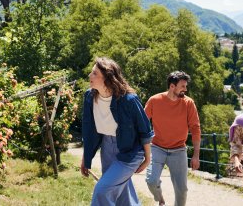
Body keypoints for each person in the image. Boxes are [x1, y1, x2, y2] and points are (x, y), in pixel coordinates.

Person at [81, 56, 154, 206]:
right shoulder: (89, 97)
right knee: (122, 195)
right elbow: (88, 130)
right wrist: (85, 157)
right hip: (107, 147)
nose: (90, 76)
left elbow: (144, 130)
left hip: (130, 151)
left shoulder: (129, 100)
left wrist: (147, 158)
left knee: (102, 190)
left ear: (107, 78)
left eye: (94, 73)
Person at [144, 71, 201, 206]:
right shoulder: (154, 100)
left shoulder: (188, 103)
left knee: (182, 190)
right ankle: (160, 199)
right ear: (172, 86)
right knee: (151, 180)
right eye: (182, 86)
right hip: (157, 148)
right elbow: (142, 123)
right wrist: (141, 147)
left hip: (179, 150)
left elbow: (195, 128)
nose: (185, 89)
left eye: (185, 86)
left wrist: (196, 155)